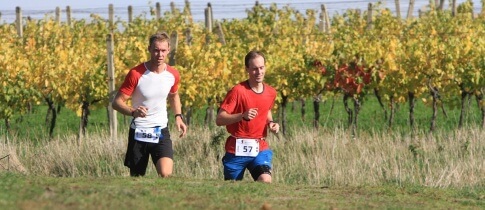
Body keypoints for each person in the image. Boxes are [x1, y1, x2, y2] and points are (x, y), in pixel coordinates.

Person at [112, 32, 187, 177]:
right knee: (137, 178)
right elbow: (117, 102)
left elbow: (174, 95)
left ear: (168, 50)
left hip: (160, 130)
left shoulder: (173, 74)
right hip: (139, 131)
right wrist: (133, 112)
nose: (160, 54)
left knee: (166, 174)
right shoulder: (136, 74)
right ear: (149, 49)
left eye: (163, 50)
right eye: (156, 50)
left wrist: (178, 116)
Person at [215, 50, 280, 183]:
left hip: (259, 147)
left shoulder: (271, 92)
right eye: (255, 69)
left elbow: (266, 110)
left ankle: (261, 204)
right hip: (236, 149)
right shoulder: (238, 91)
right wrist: (241, 116)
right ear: (247, 70)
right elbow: (220, 119)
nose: (259, 72)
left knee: (265, 179)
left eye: (261, 68)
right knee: (232, 188)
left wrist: (271, 123)